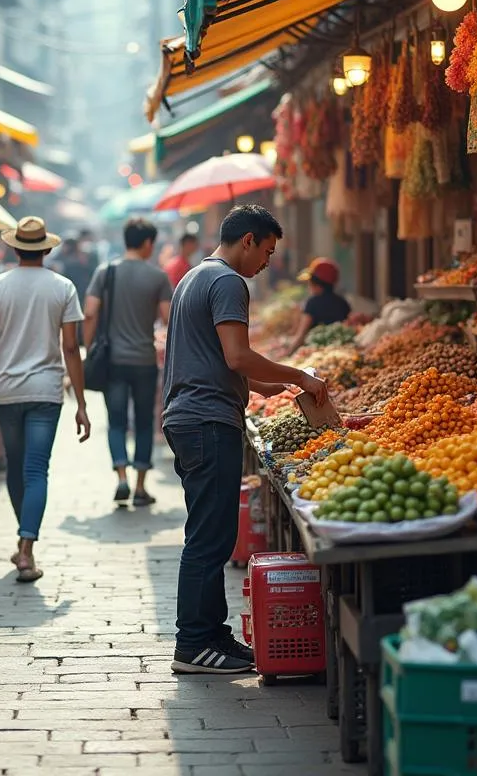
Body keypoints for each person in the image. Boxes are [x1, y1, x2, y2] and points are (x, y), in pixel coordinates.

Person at [162, 205, 328, 675]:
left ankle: (212, 636)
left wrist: (263, 385)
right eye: (268, 252)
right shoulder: (228, 282)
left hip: (190, 417)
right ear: (249, 240)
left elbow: (211, 356)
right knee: (208, 539)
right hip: (207, 421)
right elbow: (236, 355)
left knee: (209, 533)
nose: (267, 264)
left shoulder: (193, 277)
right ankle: (193, 643)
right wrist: (299, 374)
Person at [0, 217, 90, 583]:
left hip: (6, 390)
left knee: (15, 465)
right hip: (46, 392)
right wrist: (82, 403)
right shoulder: (63, 287)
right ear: (47, 248)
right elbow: (71, 346)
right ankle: (26, 546)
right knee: (37, 469)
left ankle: (25, 541)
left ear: (14, 247)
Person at [84, 217, 172, 507]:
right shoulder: (158, 277)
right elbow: (168, 320)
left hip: (113, 361)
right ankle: (140, 487)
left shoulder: (105, 272)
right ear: (147, 243)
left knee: (117, 422)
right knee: (145, 423)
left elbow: (90, 312)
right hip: (145, 360)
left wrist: (89, 345)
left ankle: (121, 476)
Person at [285, 257, 352, 354]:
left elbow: (301, 335)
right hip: (340, 351)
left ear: (316, 283)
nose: (308, 286)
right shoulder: (343, 303)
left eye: (310, 282)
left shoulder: (312, 303)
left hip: (315, 352)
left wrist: (288, 352)